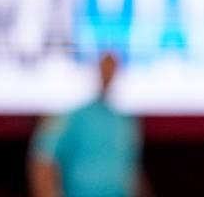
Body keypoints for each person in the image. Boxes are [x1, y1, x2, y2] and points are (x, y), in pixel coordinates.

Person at [29, 52, 143, 197]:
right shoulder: (71, 115)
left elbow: (131, 171)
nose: (108, 75)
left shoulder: (125, 121)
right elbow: (42, 160)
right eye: (104, 68)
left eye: (112, 69)